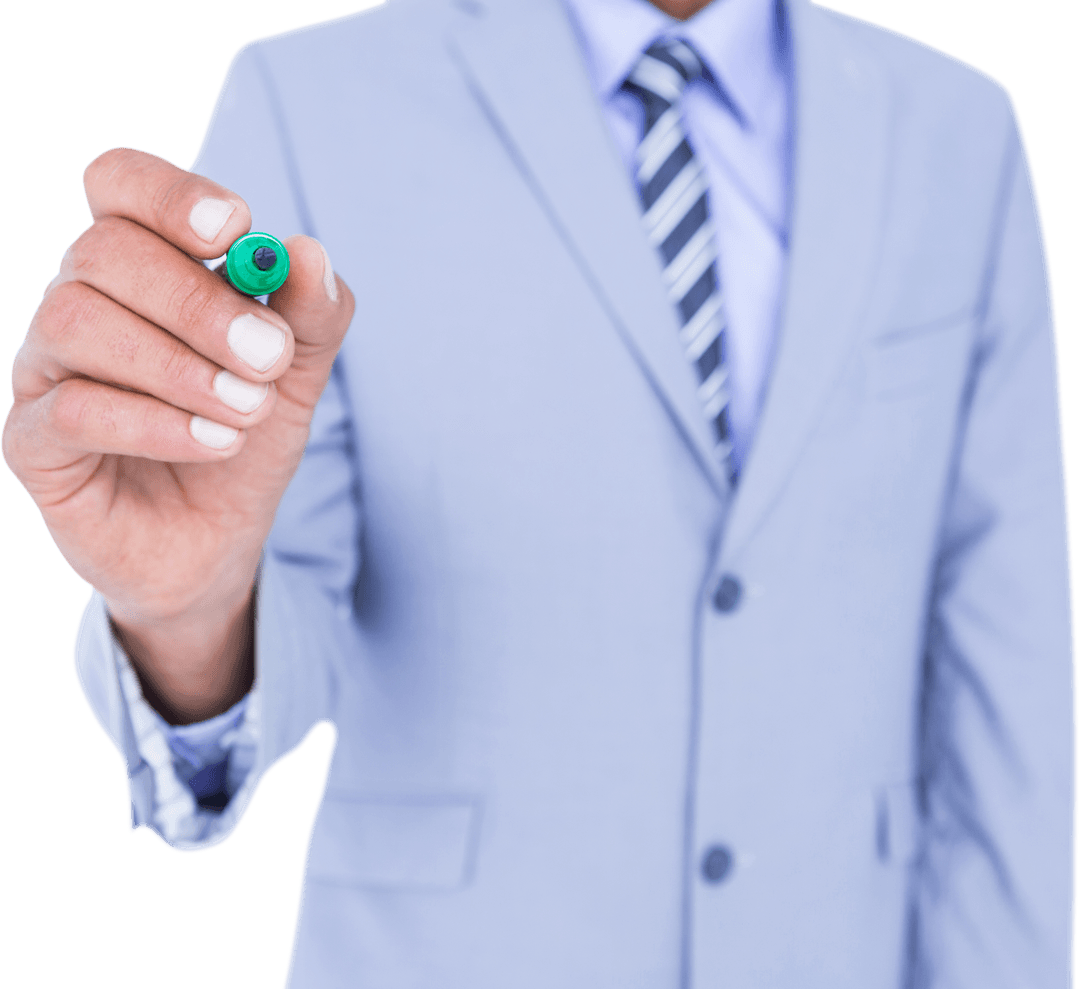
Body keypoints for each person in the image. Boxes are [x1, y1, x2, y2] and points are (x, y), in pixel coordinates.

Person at [3, 0, 1076, 984]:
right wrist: (184, 608)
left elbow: (1013, 669)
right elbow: (276, 587)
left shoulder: (961, 131)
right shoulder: (312, 98)